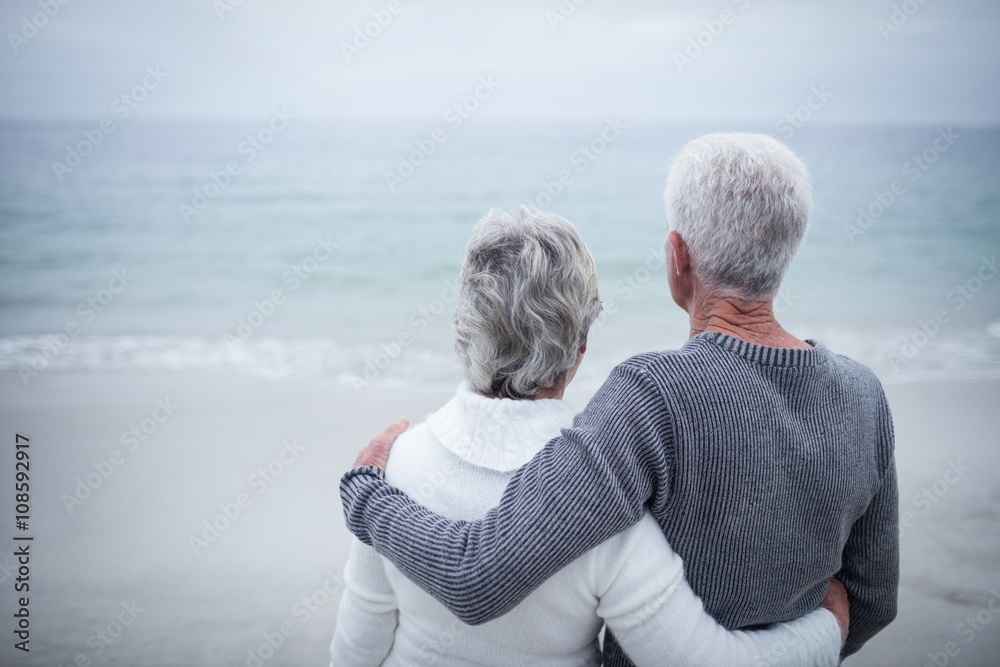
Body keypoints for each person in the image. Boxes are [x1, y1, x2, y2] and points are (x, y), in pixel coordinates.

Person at [341, 134, 898, 665]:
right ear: (788, 250)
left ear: (677, 255)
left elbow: (479, 576)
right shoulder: (863, 396)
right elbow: (872, 600)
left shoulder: (651, 397)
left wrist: (365, 495)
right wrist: (822, 634)